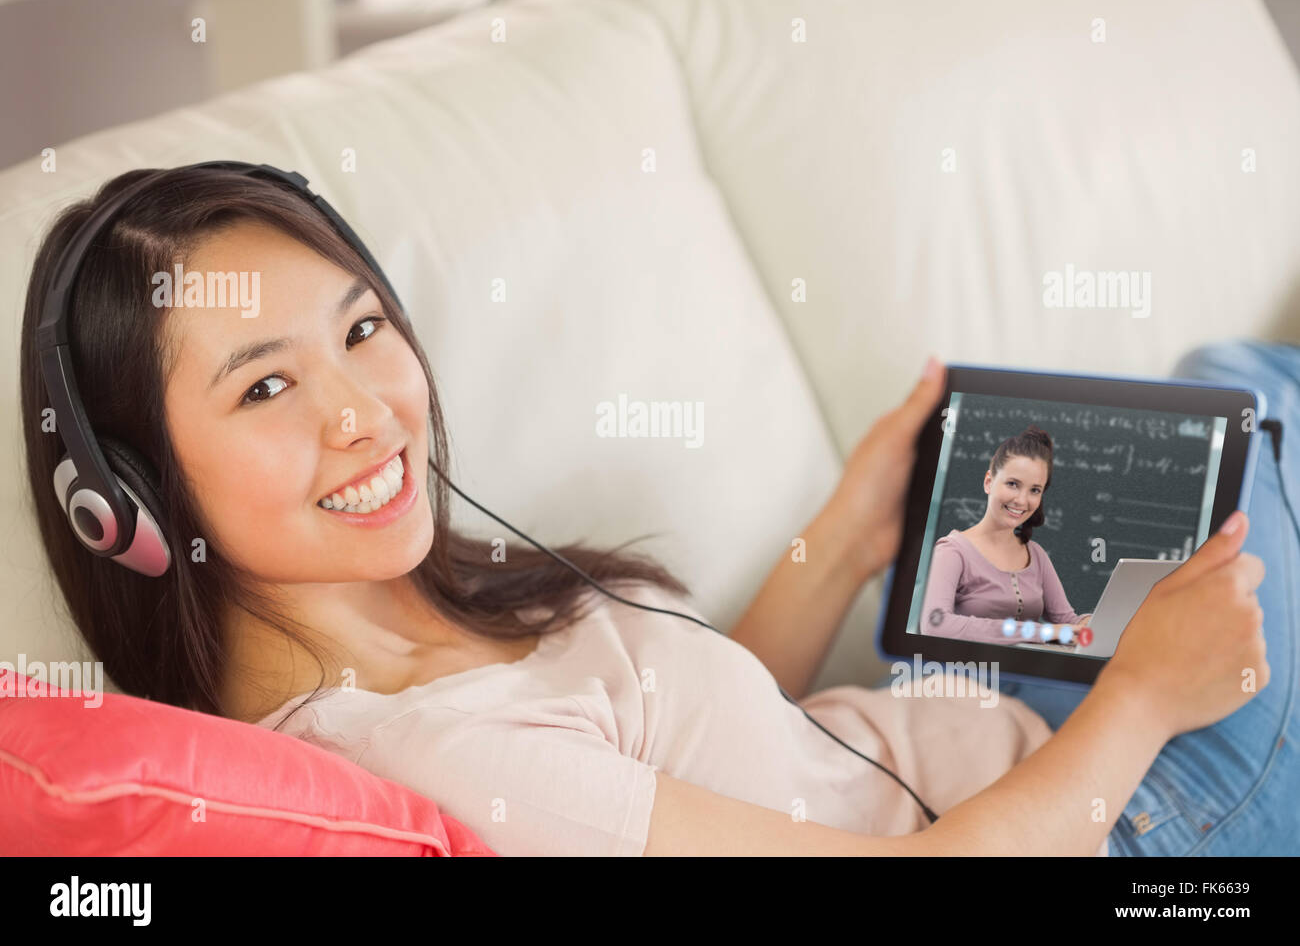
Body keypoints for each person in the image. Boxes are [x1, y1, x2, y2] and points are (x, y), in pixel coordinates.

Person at [19, 166, 1295, 856]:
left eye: (362, 328)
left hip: (1022, 738)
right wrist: (1144, 699)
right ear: (125, 502)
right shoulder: (430, 754)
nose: (364, 411)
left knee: (1221, 404)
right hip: (1125, 816)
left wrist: (845, 534)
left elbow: (704, 749)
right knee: (1243, 392)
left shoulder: (421, 619)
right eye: (268, 384)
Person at [920, 426, 1093, 648]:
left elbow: (1066, 621)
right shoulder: (952, 551)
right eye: (1013, 484)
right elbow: (936, 624)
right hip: (968, 673)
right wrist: (1043, 631)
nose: (1022, 501)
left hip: (1026, 675)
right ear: (989, 482)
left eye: (1035, 490)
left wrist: (1090, 624)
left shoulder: (1036, 555)